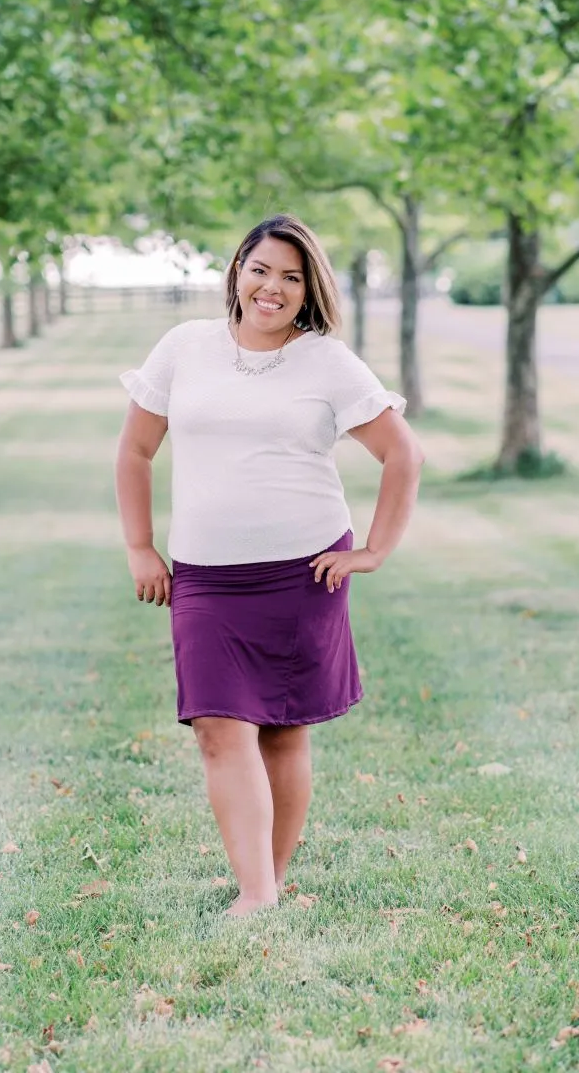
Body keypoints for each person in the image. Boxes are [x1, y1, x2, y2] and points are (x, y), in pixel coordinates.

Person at [114, 214, 424, 917]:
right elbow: (135, 450)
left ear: (309, 287)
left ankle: (263, 889)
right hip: (207, 578)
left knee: (284, 731)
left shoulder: (328, 361)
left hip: (301, 574)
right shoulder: (184, 347)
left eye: (291, 276)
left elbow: (403, 453)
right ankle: (257, 889)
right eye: (261, 270)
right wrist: (139, 546)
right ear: (237, 271)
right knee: (219, 729)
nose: (272, 288)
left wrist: (373, 550)